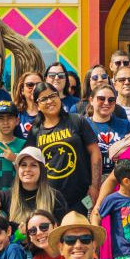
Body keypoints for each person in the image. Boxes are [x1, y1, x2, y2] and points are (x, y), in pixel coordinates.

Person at [27, 81, 99, 213]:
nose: (49, 101)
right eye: (44, 99)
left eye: (53, 96)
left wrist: (95, 186)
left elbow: (95, 153)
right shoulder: (35, 131)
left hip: (82, 196)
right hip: (50, 198)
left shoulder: (77, 121)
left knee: (81, 230)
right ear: (37, 105)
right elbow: (29, 162)